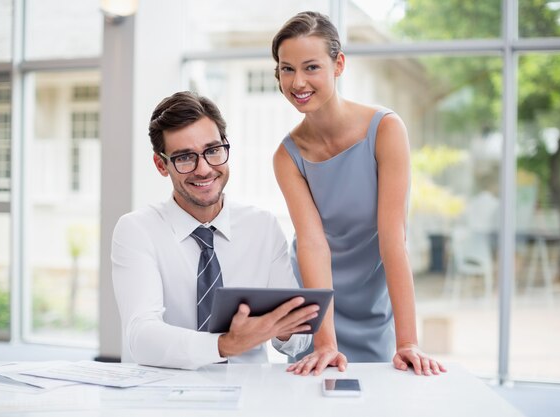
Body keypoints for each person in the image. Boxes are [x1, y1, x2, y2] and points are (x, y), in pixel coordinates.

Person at [271, 11, 447, 376]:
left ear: (339, 65)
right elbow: (312, 244)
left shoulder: (385, 129)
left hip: (371, 295)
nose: (298, 81)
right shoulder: (286, 156)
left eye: (311, 67)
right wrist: (325, 342)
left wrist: (408, 341)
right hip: (316, 297)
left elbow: (393, 239)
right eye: (286, 69)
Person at [112, 91, 315, 370]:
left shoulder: (263, 228)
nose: (204, 169)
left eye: (213, 151)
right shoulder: (137, 230)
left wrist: (280, 327)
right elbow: (141, 336)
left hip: (247, 396)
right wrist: (224, 345)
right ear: (161, 165)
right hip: (164, 397)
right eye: (185, 157)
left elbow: (298, 340)